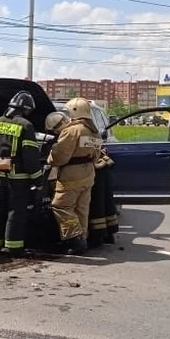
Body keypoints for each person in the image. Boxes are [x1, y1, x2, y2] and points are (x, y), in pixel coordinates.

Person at [0, 91, 44, 257]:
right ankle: (13, 247)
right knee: (15, 212)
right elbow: (30, 157)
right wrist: (39, 180)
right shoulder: (25, 126)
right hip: (18, 179)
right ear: (25, 109)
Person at [47, 97, 102, 255]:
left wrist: (50, 157)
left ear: (74, 111)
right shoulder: (94, 131)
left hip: (71, 175)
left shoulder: (72, 130)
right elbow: (96, 156)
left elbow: (60, 156)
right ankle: (82, 239)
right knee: (81, 209)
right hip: (88, 174)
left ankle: (73, 238)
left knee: (61, 206)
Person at [87, 147, 119, 249]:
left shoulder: (77, 132)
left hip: (96, 169)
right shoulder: (92, 132)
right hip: (103, 167)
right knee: (106, 202)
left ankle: (97, 237)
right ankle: (109, 235)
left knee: (96, 205)